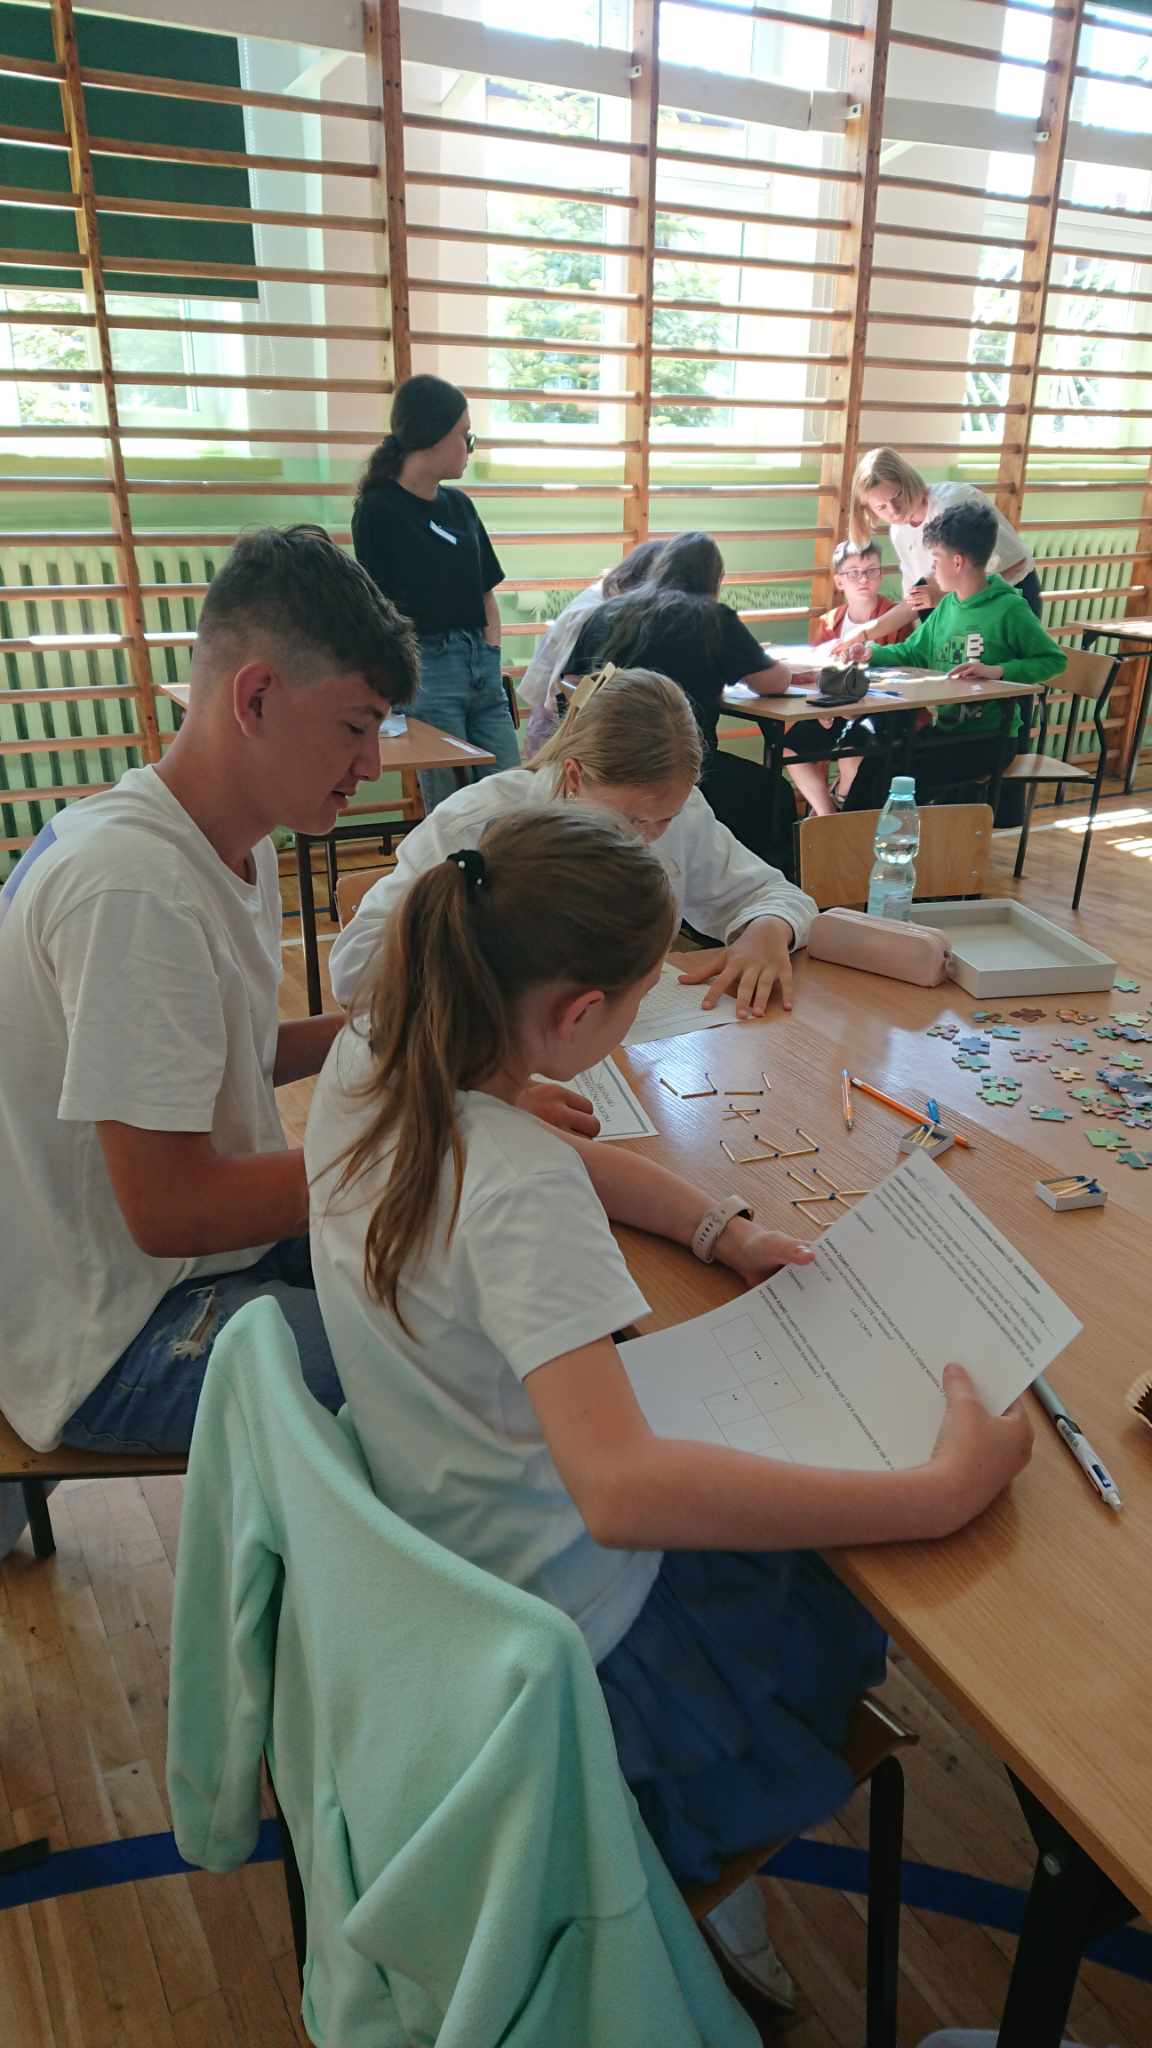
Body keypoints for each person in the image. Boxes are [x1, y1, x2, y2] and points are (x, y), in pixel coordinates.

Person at [305, 806, 1032, 2000]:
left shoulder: (376, 1059)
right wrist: (936, 1492)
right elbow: (621, 1489)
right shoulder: (513, 1182)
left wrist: (716, 1225)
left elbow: (547, 1160)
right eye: (643, 994)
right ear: (578, 1016)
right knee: (839, 1579)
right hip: (584, 1647)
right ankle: (673, 1869)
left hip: (462, 1561)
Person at [0, 525, 418, 1502]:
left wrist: (398, 1034)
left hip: (174, 1263)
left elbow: (221, 1051)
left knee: (453, 1270)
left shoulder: (226, 840)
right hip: (113, 1326)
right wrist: (425, 1150)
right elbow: (173, 1211)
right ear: (256, 696)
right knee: (440, 1367)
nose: (371, 764)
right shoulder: (133, 885)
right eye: (355, 727)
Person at [329, 665, 817, 1025]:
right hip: (490, 1061)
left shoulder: (679, 811)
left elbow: (775, 894)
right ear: (574, 776)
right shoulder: (476, 823)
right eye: (631, 819)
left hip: (623, 1048)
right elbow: (356, 970)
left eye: (664, 819)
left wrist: (767, 929)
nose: (649, 835)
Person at [352, 374, 521, 813]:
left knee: (513, 795)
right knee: (453, 807)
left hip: (480, 664)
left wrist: (491, 651)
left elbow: (486, 594)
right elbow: (379, 611)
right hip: (429, 670)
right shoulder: (378, 509)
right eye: (465, 435)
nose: (470, 446)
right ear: (432, 435)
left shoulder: (460, 506)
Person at [844, 499, 1065, 796]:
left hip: (990, 741)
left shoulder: (1009, 609)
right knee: (876, 764)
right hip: (949, 733)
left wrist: (998, 671)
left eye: (936, 560)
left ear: (957, 562)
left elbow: (1053, 660)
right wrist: (871, 653)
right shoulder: (948, 605)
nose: (932, 569)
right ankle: (852, 828)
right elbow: (913, 652)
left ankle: (887, 826)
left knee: (896, 777)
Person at [566, 531, 790, 752]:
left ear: (658, 568)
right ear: (719, 578)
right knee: (772, 777)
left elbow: (572, 681)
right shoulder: (713, 618)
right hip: (678, 761)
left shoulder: (607, 611)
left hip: (603, 758)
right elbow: (773, 682)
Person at [845, 447, 1041, 648]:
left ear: (908, 481)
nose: (894, 510)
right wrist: (863, 633)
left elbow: (1013, 564)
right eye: (881, 507)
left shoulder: (951, 504)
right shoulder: (899, 531)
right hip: (962, 611)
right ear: (870, 510)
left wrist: (945, 596)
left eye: (898, 496)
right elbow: (914, 602)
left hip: (1009, 601)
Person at [783, 538, 904, 817]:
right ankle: (827, 814)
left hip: (879, 711)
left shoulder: (895, 618)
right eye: (853, 573)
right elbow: (818, 674)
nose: (863, 579)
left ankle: (842, 804)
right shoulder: (829, 622)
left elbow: (901, 673)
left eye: (871, 571)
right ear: (839, 581)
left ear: (881, 575)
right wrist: (823, 705)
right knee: (790, 748)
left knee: (852, 754)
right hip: (834, 710)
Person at [518, 538, 665, 759]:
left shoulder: (606, 595)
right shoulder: (599, 610)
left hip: (559, 703)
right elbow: (569, 684)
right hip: (563, 710)